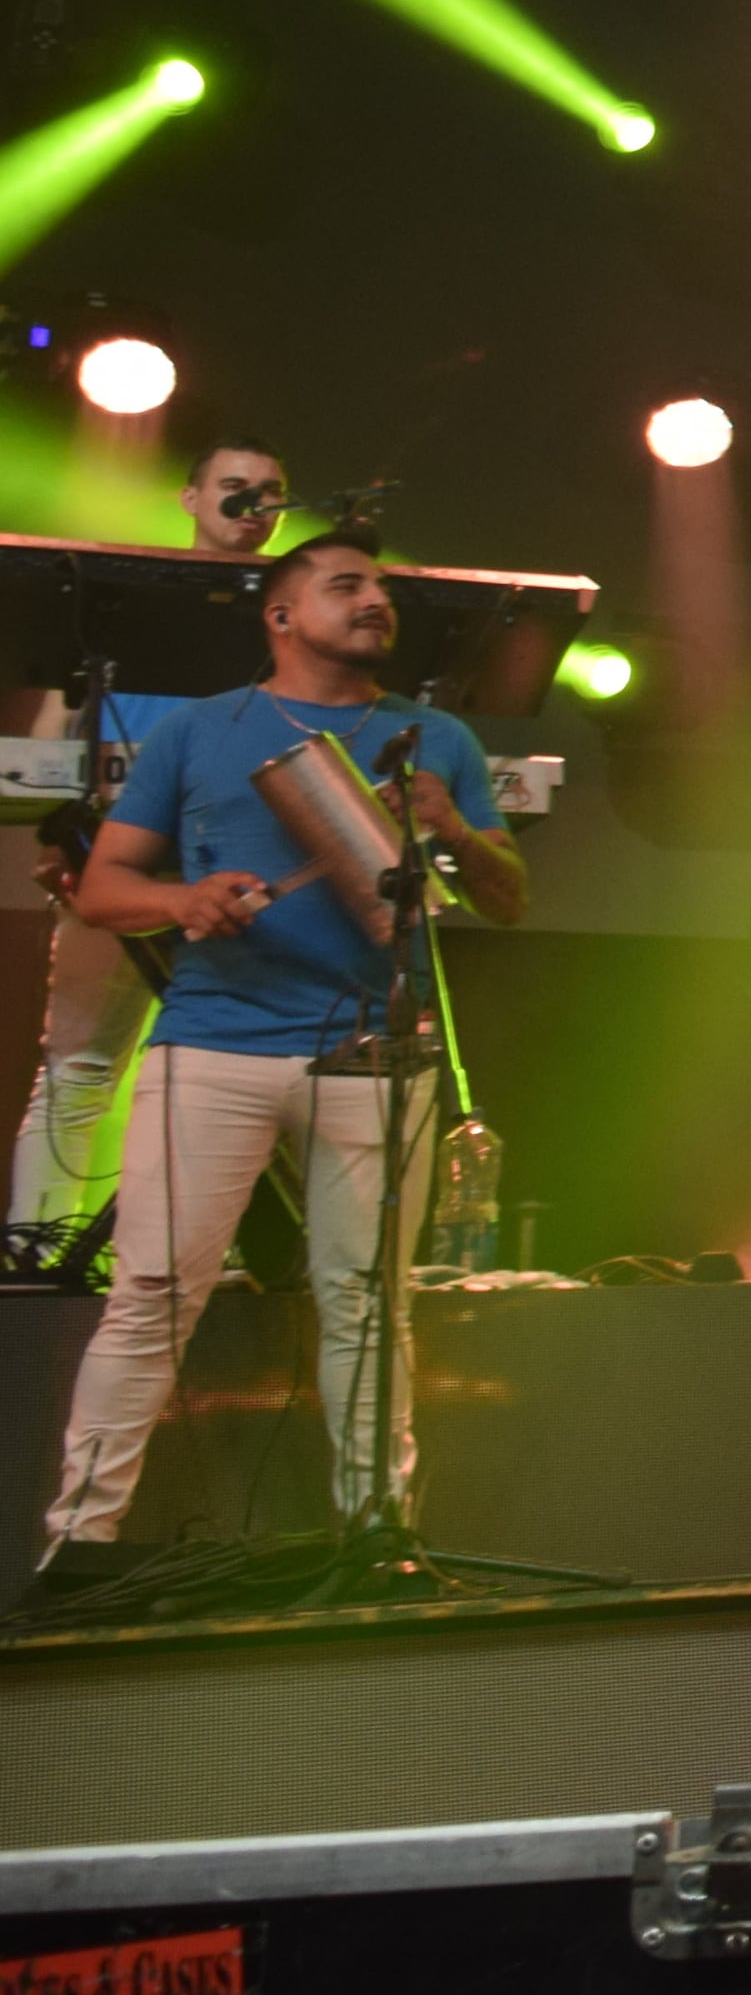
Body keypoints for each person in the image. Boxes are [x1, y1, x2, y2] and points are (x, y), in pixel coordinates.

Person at [36, 529, 523, 1580]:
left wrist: (453, 829)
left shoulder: (435, 739)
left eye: (382, 590)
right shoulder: (201, 733)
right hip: (213, 1045)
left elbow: (508, 896)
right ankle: (77, 1547)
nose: (373, 602)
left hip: (377, 1055)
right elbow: (106, 887)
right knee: (157, 1292)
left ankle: (377, 1532)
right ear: (280, 615)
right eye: (345, 586)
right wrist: (183, 898)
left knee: (367, 1302)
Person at [10, 438, 299, 1251]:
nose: (252, 504)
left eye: (270, 491)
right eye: (234, 487)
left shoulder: (290, 624)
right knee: (81, 1066)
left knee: (240, 1079)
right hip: (127, 854)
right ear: (191, 498)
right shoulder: (124, 601)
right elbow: (56, 731)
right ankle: (36, 1250)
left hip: (246, 867)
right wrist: (54, 820)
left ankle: (228, 1260)